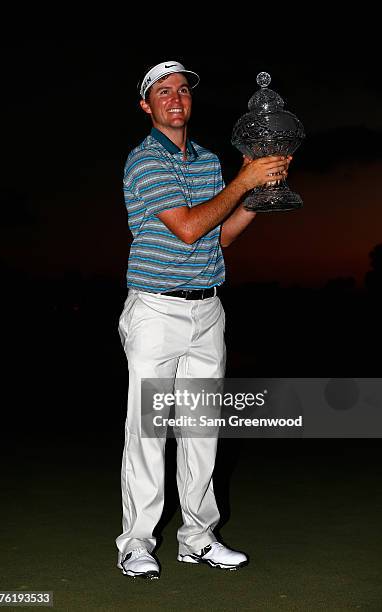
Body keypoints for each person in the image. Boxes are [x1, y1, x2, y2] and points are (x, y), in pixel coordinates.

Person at [116, 60, 291, 579]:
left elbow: (221, 235)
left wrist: (262, 192)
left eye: (183, 91)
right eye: (162, 92)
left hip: (207, 309)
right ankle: (137, 544)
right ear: (147, 106)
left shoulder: (209, 162)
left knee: (202, 432)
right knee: (148, 434)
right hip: (156, 309)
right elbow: (189, 228)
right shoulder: (144, 162)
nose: (176, 98)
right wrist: (243, 180)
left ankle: (197, 537)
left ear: (191, 101)